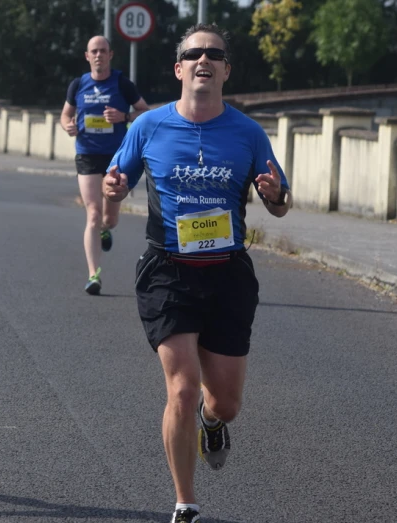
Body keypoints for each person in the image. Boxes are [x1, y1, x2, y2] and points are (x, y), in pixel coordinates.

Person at [103, 24, 292, 523]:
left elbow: (280, 204)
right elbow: (117, 182)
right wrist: (113, 187)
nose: (204, 59)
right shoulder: (149, 126)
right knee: (182, 388)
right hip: (168, 270)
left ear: (227, 69)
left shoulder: (249, 133)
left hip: (228, 274)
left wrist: (275, 195)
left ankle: (213, 424)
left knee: (224, 402)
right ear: (179, 68)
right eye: (194, 53)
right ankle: (185, 502)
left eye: (215, 54)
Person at [60, 35, 150, 295]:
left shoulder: (122, 83)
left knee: (110, 219)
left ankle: (105, 231)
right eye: (94, 51)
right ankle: (93, 275)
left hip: (117, 157)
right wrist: (67, 124)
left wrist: (125, 116)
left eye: (103, 51)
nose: (98, 55)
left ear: (111, 55)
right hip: (87, 153)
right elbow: (65, 114)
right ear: (87, 56)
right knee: (93, 213)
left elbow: (145, 111)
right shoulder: (78, 85)